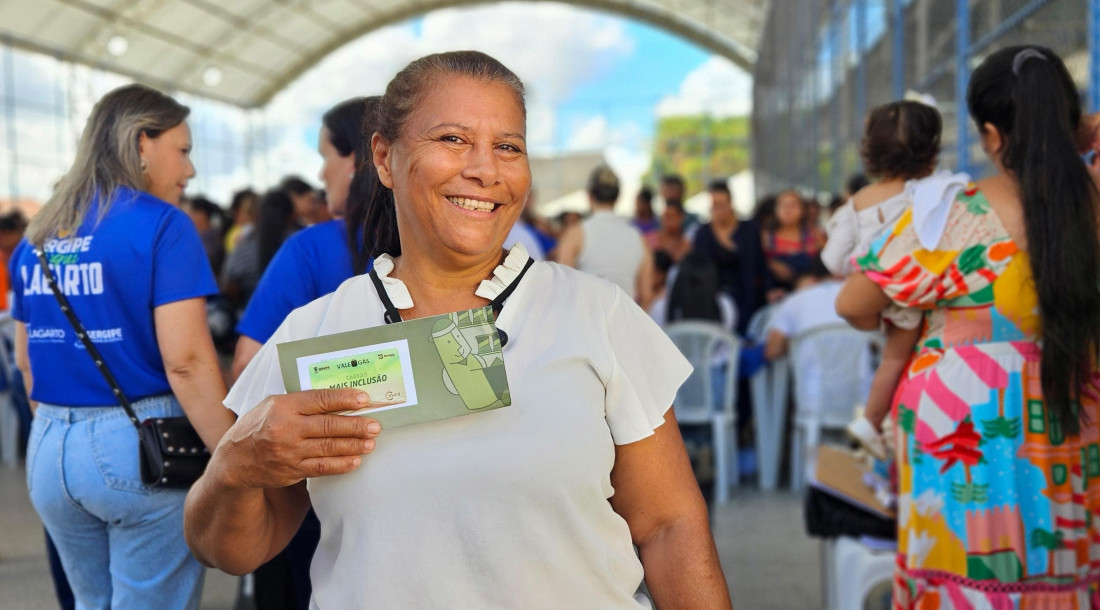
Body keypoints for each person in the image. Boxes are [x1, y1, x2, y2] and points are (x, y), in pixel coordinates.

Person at [185, 50, 731, 609]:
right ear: (383, 157)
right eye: (452, 139)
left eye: (508, 147)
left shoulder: (597, 314)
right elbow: (227, 549)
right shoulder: (315, 331)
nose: (486, 170)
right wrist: (235, 468)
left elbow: (669, 526)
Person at [836, 45, 1100, 607]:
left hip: (962, 425)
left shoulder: (954, 214)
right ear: (1070, 120)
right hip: (1079, 415)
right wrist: (1083, 134)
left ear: (990, 134)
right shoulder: (1093, 205)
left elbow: (854, 303)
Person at [11, 83, 235, 608]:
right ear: (140, 143)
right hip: (139, 445)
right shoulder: (163, 227)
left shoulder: (38, 235)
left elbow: (26, 363)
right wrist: (237, 460)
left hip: (49, 450)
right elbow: (187, 363)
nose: (190, 170)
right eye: (182, 151)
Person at [231, 96, 385, 610]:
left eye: (327, 156)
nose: (322, 174)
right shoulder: (449, 251)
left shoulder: (310, 248)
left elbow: (248, 366)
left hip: (323, 476)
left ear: (365, 157)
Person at [822, 100, 943, 459]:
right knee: (896, 360)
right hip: (916, 298)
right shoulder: (929, 195)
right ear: (930, 151)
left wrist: (861, 269)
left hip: (877, 297)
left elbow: (832, 259)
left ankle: (876, 421)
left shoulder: (859, 200)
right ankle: (872, 421)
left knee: (890, 358)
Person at [557, 164, 653, 306]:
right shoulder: (638, 237)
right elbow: (646, 295)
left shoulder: (576, 233)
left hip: (585, 323)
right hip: (625, 323)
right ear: (618, 196)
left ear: (589, 195)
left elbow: (562, 288)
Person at [691, 179, 769, 336]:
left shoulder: (750, 229)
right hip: (715, 301)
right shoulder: (703, 233)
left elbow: (760, 263)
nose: (717, 210)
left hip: (748, 297)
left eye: (721, 205)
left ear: (730, 203)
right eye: (714, 205)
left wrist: (769, 289)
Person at [761, 190, 825, 292]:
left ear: (802, 209)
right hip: (776, 294)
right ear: (776, 210)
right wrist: (771, 264)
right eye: (783, 205)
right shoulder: (766, 236)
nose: (788, 210)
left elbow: (827, 263)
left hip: (807, 290)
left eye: (793, 205)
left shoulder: (814, 234)